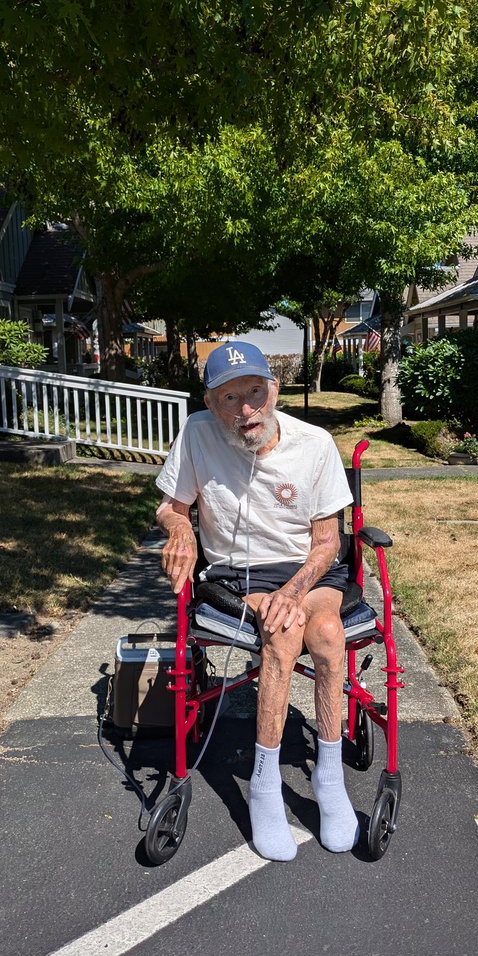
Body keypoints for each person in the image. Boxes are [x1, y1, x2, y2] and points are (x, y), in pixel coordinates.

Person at [155, 340, 359, 862]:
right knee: (284, 633)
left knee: (328, 633)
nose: (246, 409)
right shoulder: (198, 434)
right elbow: (170, 507)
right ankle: (266, 790)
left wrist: (293, 592)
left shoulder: (315, 443)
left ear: (274, 388)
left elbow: (327, 542)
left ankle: (329, 777)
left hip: (310, 570)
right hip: (237, 574)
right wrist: (181, 529)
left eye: (255, 392)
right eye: (229, 398)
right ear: (210, 404)